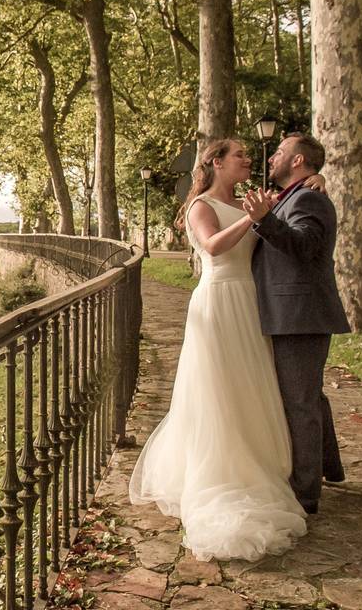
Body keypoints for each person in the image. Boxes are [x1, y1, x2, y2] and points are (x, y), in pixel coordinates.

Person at [129, 138, 313, 562]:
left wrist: (313, 179)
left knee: (253, 383)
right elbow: (212, 247)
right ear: (216, 162)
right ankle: (221, 476)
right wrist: (252, 221)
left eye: (250, 155)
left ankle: (261, 462)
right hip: (218, 300)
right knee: (220, 387)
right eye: (241, 156)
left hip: (252, 302)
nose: (250, 161)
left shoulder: (252, 200)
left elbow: (286, 204)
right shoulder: (200, 206)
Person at [243, 132, 350, 515]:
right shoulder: (292, 195)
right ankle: (330, 469)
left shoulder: (307, 198)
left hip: (299, 316)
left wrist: (264, 221)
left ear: (299, 162)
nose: (272, 158)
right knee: (311, 397)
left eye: (280, 153)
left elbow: (305, 247)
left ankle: (305, 495)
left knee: (300, 403)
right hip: (288, 314)